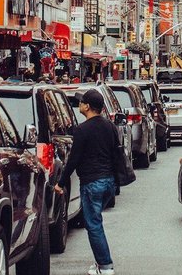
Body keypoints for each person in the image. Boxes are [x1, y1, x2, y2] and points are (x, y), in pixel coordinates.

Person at [56, 89, 120, 275]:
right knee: (96, 222)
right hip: (108, 182)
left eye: (81, 102)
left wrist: (60, 182)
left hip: (92, 182)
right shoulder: (110, 126)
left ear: (88, 106)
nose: (79, 105)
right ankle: (100, 263)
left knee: (93, 224)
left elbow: (73, 160)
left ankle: (106, 266)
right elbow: (116, 154)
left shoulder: (82, 130)